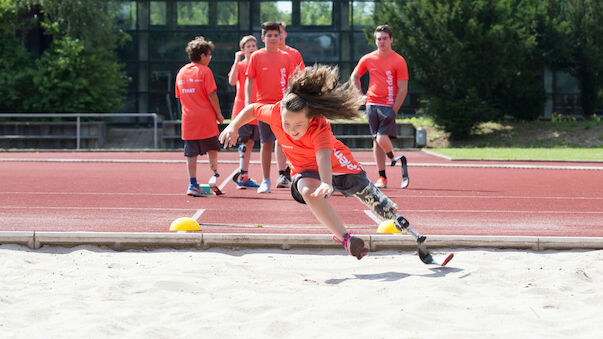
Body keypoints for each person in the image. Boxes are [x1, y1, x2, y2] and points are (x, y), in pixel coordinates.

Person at [219, 65, 414, 260]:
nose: (291, 131)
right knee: (307, 191)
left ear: (310, 119)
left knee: (365, 190)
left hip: (335, 161)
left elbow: (323, 158)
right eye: (287, 124)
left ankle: (400, 221)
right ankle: (346, 239)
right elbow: (252, 109)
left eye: (298, 125)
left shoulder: (319, 128)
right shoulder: (275, 113)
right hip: (304, 169)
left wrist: (327, 182)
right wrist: (233, 126)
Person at [351, 24, 410, 189]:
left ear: (391, 39)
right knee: (376, 142)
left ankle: (394, 158)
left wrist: (394, 109)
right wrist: (359, 96)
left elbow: (403, 88)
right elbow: (354, 76)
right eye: (378, 39)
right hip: (371, 104)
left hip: (388, 105)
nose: (381, 42)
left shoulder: (398, 60)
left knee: (381, 138)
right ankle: (382, 177)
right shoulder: (368, 58)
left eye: (385, 38)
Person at [245, 21, 296, 193]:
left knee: (283, 142)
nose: (273, 38)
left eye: (276, 35)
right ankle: (265, 180)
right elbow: (249, 80)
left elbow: (290, 82)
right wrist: (248, 102)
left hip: (282, 106)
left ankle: (283, 174)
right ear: (263, 37)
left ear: (280, 37)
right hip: (264, 106)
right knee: (266, 143)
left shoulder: (286, 57)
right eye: (269, 35)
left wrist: (290, 101)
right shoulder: (257, 57)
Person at [175, 36, 224, 197]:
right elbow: (212, 94)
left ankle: (192, 184)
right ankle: (214, 175)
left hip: (188, 119)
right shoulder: (205, 71)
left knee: (191, 153)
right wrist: (219, 114)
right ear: (202, 56)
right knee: (213, 148)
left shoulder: (181, 72)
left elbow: (179, 96)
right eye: (209, 55)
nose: (210, 58)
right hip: (206, 118)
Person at [273, 21, 306, 188]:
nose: (277, 36)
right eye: (274, 33)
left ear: (284, 35)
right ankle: (281, 174)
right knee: (279, 138)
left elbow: (301, 76)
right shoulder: (265, 54)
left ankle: (297, 170)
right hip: (273, 103)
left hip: (292, 103)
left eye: (280, 32)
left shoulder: (294, 53)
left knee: (296, 136)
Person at [227, 35, 260, 189]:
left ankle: (244, 175)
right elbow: (232, 82)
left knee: (251, 143)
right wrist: (236, 61)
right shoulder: (240, 65)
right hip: (242, 109)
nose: (252, 48)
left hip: (257, 109)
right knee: (244, 142)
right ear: (243, 50)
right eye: (248, 46)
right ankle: (241, 175)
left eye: (254, 45)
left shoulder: (260, 64)